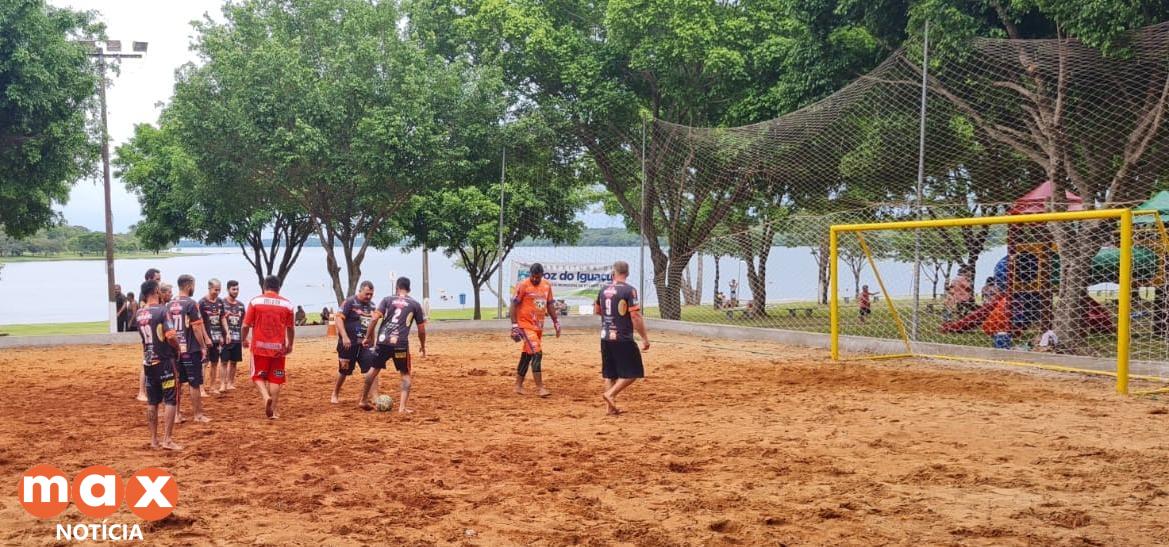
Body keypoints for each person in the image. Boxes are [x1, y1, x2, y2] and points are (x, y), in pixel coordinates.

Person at [361, 277, 427, 412]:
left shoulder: (387, 299)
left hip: (383, 341)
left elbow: (374, 318)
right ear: (409, 289)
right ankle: (402, 408)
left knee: (373, 369)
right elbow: (421, 329)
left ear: (396, 288)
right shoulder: (415, 304)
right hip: (400, 343)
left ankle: (363, 400)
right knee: (405, 374)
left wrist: (367, 337)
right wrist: (423, 345)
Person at [595, 261, 650, 415]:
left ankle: (610, 409)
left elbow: (597, 310)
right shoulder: (629, 291)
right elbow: (635, 316)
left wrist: (611, 317)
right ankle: (610, 395)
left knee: (610, 373)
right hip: (622, 337)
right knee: (633, 372)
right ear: (627, 273)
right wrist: (644, 338)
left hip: (605, 336)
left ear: (614, 272)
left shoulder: (603, 289)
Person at [134, 279, 181, 451]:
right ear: (155, 291)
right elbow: (170, 335)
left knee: (152, 401)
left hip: (148, 362)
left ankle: (153, 440)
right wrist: (178, 349)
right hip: (164, 362)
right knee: (170, 399)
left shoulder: (139, 313)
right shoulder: (162, 311)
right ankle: (167, 439)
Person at [242, 275, 295, 419]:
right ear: (279, 288)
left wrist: (243, 339)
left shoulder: (255, 301)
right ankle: (274, 411)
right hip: (278, 348)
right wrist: (290, 344)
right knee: (276, 378)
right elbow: (290, 328)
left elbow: (245, 325)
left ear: (264, 287)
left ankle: (265, 397)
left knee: (257, 376)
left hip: (259, 347)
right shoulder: (287, 305)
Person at [509, 263, 560, 397]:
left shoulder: (547, 285)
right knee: (537, 352)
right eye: (533, 277)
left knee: (528, 354)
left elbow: (550, 305)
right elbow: (513, 305)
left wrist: (556, 321)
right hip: (525, 325)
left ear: (542, 275)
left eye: (538, 277)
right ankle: (540, 388)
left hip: (538, 326)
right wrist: (514, 325)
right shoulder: (523, 285)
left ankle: (518, 386)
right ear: (530, 274)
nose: (535, 279)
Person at [169, 275, 213, 423]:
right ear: (189, 286)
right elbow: (196, 327)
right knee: (194, 382)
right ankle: (198, 414)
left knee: (177, 383)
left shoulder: (170, 304)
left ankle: (176, 415)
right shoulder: (191, 304)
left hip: (175, 349)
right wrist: (203, 346)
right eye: (193, 285)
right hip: (190, 349)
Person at [331, 281, 377, 404]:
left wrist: (373, 341)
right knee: (344, 370)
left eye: (371, 294)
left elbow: (372, 324)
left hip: (364, 344)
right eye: (367, 294)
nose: (369, 297)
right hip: (348, 344)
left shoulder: (372, 306)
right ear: (360, 291)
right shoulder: (350, 302)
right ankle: (335, 393)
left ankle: (374, 396)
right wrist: (345, 337)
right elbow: (339, 319)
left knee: (372, 368)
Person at [136, 269, 163, 402]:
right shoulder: (144, 297)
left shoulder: (146, 294)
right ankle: (141, 391)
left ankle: (146, 390)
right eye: (157, 279)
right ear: (149, 279)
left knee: (149, 361)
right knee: (146, 362)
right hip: (150, 333)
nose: (159, 281)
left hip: (150, 333)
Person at [199, 279, 226, 395]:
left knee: (215, 362)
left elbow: (222, 317)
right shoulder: (202, 302)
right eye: (216, 289)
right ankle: (201, 388)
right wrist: (206, 338)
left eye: (219, 289)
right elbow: (199, 322)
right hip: (206, 337)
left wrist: (226, 333)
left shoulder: (220, 301)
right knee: (204, 363)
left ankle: (212, 386)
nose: (218, 292)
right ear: (209, 288)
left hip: (217, 337)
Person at [220, 280, 246, 392]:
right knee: (224, 361)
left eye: (237, 289)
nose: (236, 291)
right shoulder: (222, 303)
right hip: (226, 338)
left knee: (234, 362)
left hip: (237, 338)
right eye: (233, 289)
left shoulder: (241, 306)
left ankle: (230, 383)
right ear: (228, 289)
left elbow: (244, 322)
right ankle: (222, 384)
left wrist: (244, 338)